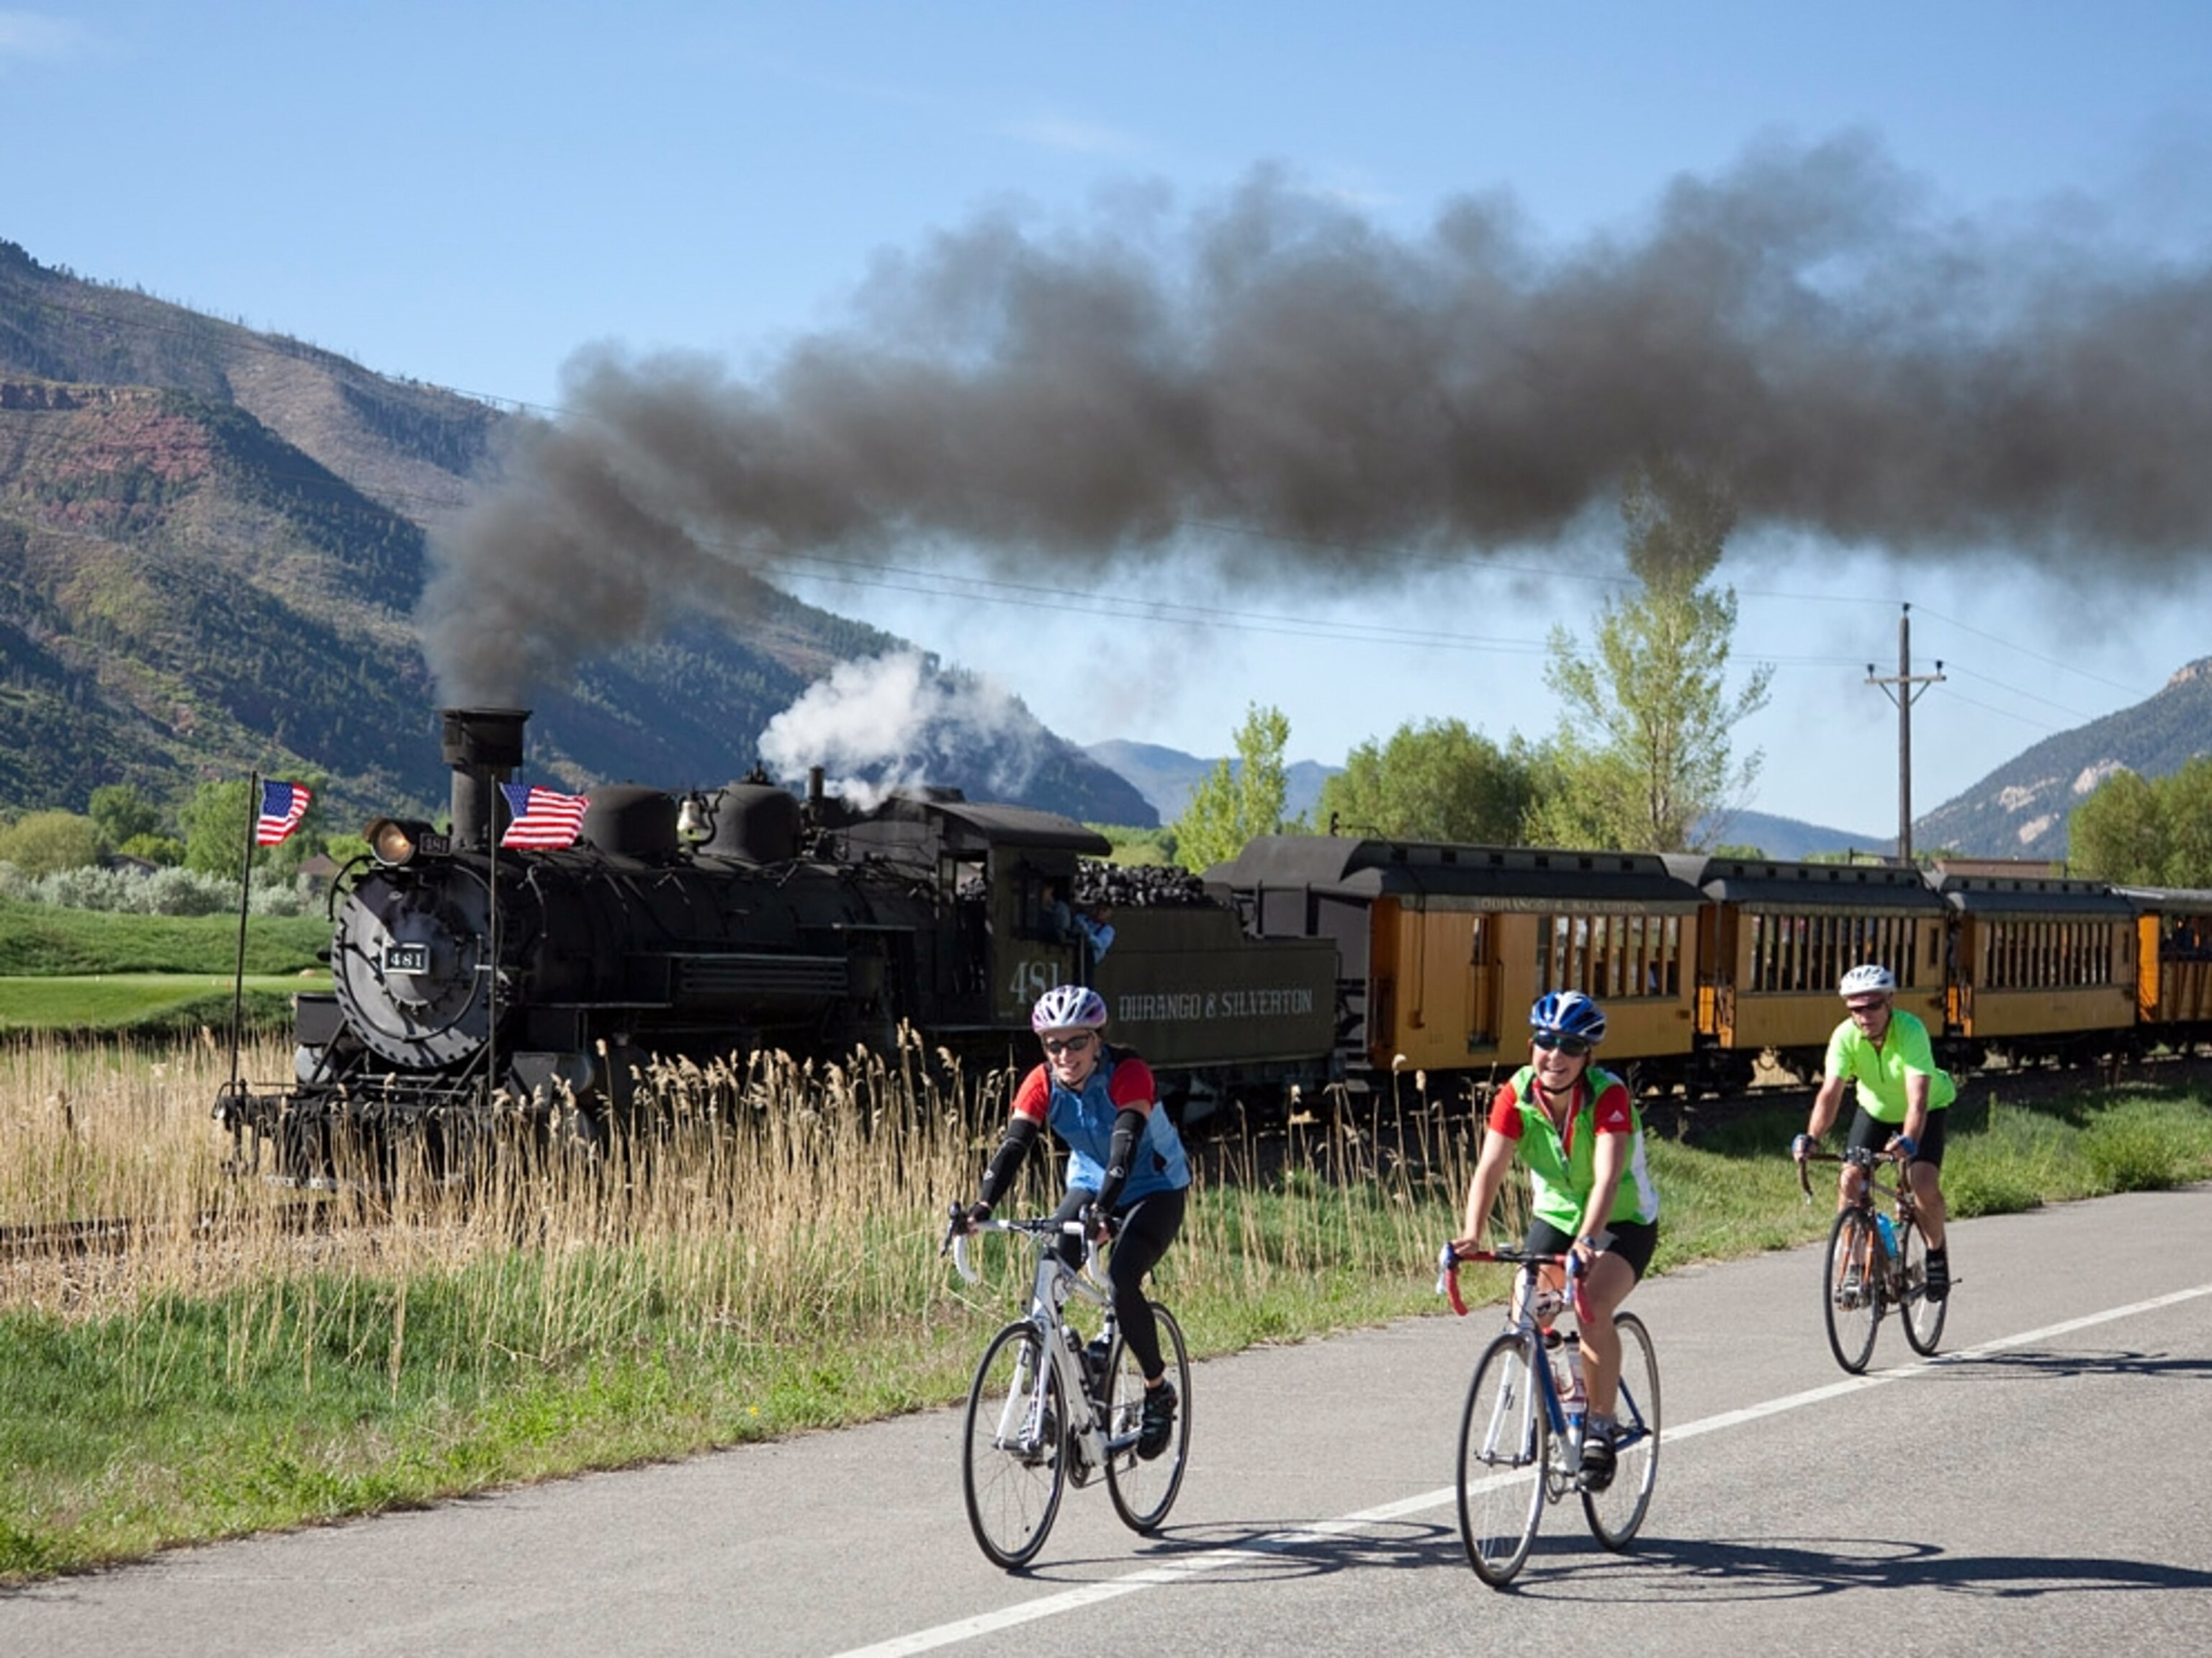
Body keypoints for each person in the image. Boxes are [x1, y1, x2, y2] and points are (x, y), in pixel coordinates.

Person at [961, 984, 1189, 1458]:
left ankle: (1157, 1389)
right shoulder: (1041, 1082)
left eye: (1077, 1042)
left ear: (1098, 1041)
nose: (1065, 1054)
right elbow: (1013, 1148)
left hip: (1154, 1186)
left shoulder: (1128, 1072)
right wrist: (981, 1207)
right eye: (1053, 1044)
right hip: (1089, 1180)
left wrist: (1105, 1211)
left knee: (1123, 1278)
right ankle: (1048, 1395)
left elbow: (1124, 1145)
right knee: (1051, 1265)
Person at [1452, 990, 1660, 1491]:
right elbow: (1491, 1167)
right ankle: (1564, 1383)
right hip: (1557, 1215)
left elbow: (1608, 1179)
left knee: (1589, 1301)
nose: (1556, 1056)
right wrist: (1470, 1234)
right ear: (1532, 1044)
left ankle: (1601, 1426)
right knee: (1527, 1307)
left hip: (1624, 1219)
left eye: (1570, 1046)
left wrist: (1589, 1240)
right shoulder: (1516, 1094)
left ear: (1587, 1055)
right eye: (1547, 1042)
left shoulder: (1608, 1096)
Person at [1793, 963, 1955, 1301]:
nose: (1865, 1015)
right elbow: (1830, 1093)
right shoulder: (1845, 1036)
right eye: (1856, 1008)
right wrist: (1812, 1138)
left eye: (1873, 1006)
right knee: (1850, 1179)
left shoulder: (1911, 1031)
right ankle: (1855, 1270)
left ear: (1890, 1001)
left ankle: (1936, 1253)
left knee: (1923, 1183)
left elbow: (1918, 1099)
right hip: (1876, 1111)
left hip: (1925, 1111)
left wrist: (1909, 1140)